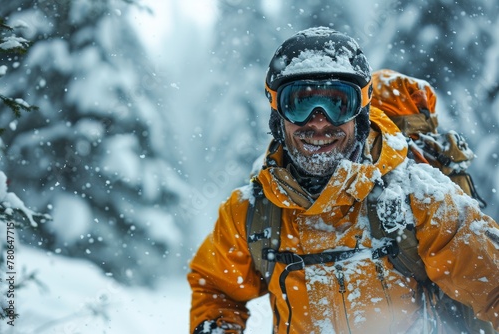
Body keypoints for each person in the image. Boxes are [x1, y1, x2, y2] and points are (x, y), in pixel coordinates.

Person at [188, 27, 499, 334]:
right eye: (300, 103)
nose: (319, 121)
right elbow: (215, 287)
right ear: (277, 115)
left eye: (338, 103)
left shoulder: (419, 200)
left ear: (361, 114)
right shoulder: (250, 213)